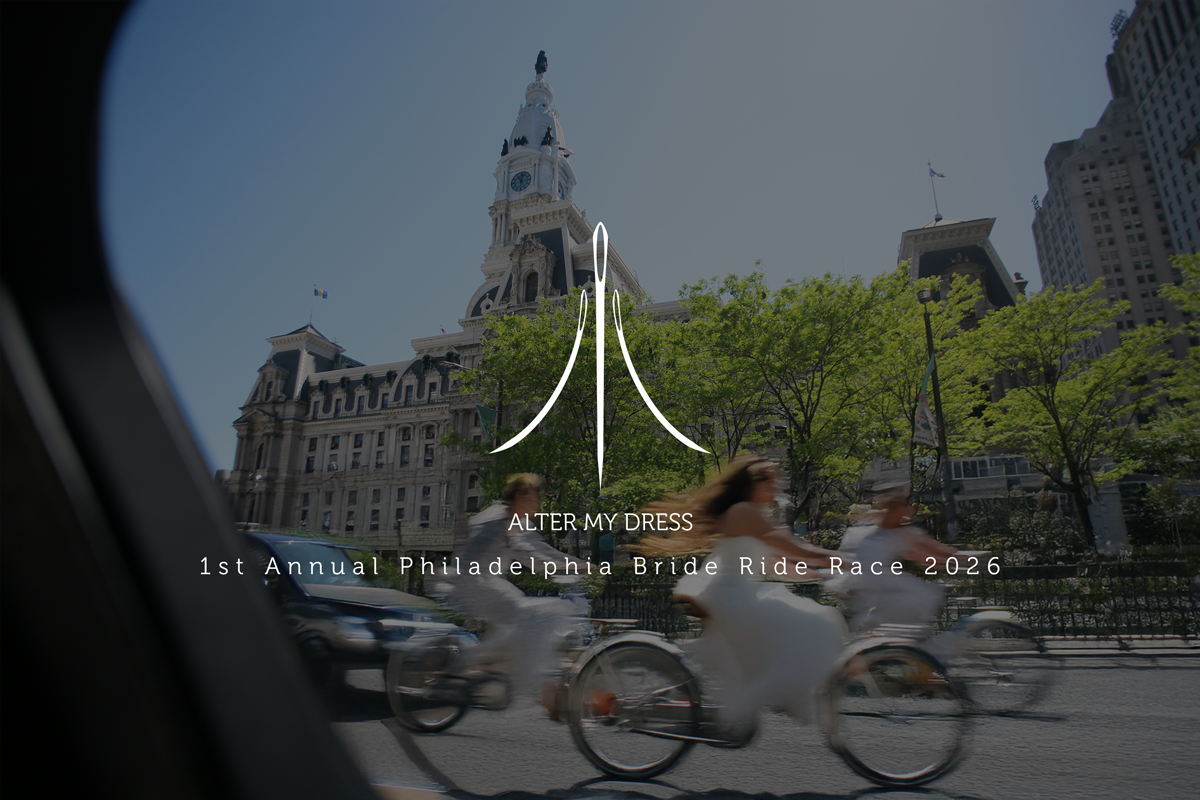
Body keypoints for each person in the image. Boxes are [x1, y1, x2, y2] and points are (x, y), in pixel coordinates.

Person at [637, 455, 848, 733]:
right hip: (732, 598)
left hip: (736, 595)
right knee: (815, 622)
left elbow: (779, 564)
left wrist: (815, 573)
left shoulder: (749, 514)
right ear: (755, 483)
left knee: (803, 620)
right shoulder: (743, 512)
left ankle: (774, 695)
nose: (776, 487)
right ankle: (781, 694)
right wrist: (838, 559)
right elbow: (795, 550)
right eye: (771, 481)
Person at [437, 473, 585, 707]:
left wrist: (577, 565)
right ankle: (470, 665)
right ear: (519, 497)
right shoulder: (495, 520)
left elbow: (539, 551)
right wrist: (568, 565)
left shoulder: (515, 522)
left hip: (488, 582)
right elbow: (525, 553)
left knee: (519, 615)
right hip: (471, 582)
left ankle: (488, 669)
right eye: (534, 499)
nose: (537, 505)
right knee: (523, 615)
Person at [833, 488, 957, 633]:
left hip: (854, 582)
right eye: (905, 507)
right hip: (874, 582)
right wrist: (955, 557)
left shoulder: (862, 530)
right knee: (923, 595)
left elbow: (925, 553)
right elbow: (925, 553)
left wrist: (947, 557)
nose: (909, 510)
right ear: (896, 509)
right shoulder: (897, 533)